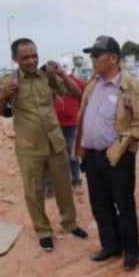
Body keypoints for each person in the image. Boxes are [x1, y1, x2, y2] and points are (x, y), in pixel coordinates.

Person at [0, 38, 88, 251]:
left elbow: (77, 94)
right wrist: (4, 95)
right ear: (15, 58)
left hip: (55, 142)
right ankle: (43, 231)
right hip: (29, 146)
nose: (32, 61)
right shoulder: (9, 81)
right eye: (25, 57)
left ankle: (70, 223)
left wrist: (61, 74)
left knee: (64, 187)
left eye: (34, 55)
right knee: (34, 191)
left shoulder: (47, 76)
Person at [74, 36, 139, 271]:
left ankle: (131, 250)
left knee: (124, 204)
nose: (93, 59)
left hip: (117, 157)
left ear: (113, 58)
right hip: (93, 156)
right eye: (92, 55)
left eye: (97, 55)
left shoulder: (129, 86)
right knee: (100, 205)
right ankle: (110, 246)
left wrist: (123, 145)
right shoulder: (92, 84)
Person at [44, 56, 86, 199]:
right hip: (52, 125)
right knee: (50, 154)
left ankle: (76, 181)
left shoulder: (78, 83)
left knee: (71, 154)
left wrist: (74, 112)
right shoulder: (50, 82)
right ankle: (49, 186)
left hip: (70, 124)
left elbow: (82, 98)